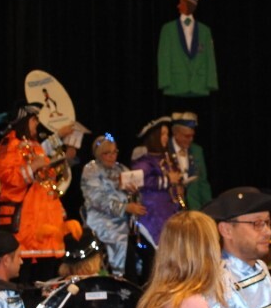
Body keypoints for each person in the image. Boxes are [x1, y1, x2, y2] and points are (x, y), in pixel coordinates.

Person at [0, 102, 67, 284]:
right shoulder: (9, 144)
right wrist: (33, 167)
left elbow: (45, 179)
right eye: (34, 120)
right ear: (23, 121)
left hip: (45, 226)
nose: (37, 124)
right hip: (24, 227)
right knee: (24, 278)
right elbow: (7, 179)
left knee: (47, 279)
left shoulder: (36, 146)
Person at [80, 133, 145, 275]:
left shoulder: (121, 169)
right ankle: (120, 277)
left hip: (124, 223)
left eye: (114, 152)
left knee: (145, 250)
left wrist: (133, 193)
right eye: (107, 153)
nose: (111, 156)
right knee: (126, 255)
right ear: (99, 154)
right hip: (101, 222)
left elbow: (137, 196)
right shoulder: (91, 169)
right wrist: (124, 207)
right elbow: (97, 199)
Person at [130, 116, 184, 247]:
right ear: (154, 137)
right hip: (153, 214)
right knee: (162, 247)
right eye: (163, 134)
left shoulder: (165, 157)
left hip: (169, 210)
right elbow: (140, 180)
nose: (166, 137)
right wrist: (168, 180)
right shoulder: (144, 159)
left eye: (167, 134)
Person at [157, 0, 218, 98]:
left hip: (200, 85)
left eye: (181, 3)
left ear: (189, 5)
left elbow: (210, 57)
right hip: (175, 84)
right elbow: (164, 57)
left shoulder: (205, 31)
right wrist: (164, 82)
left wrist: (211, 83)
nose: (178, 6)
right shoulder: (168, 29)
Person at [169, 112, 212, 210]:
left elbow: (203, 183)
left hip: (194, 207)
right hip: (171, 208)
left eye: (192, 136)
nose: (191, 139)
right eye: (187, 136)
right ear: (175, 133)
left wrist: (209, 207)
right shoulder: (165, 150)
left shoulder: (197, 151)